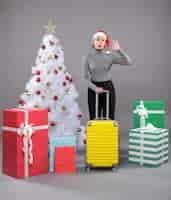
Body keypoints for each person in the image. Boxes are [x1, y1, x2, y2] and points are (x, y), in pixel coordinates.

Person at [83, 30, 132, 120]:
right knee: (94, 117)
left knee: (108, 116)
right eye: (97, 39)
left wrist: (119, 50)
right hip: (93, 88)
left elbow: (128, 62)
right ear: (93, 42)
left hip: (107, 87)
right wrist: (95, 88)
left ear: (105, 43)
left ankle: (107, 134)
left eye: (103, 40)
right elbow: (85, 78)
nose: (100, 42)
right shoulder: (88, 57)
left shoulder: (109, 56)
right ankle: (96, 134)